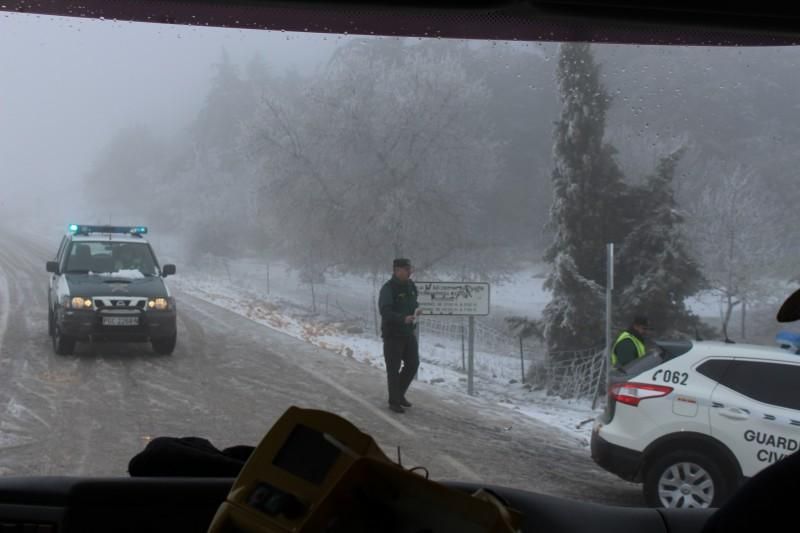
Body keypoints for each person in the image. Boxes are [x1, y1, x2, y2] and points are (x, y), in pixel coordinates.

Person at [378, 258, 423, 413]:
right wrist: (402, 318)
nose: (410, 271)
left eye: (410, 268)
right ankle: (394, 401)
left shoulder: (410, 285)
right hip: (393, 334)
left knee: (413, 364)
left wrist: (417, 310)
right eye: (407, 269)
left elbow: (413, 302)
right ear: (397, 270)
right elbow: (385, 311)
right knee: (393, 368)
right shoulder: (388, 288)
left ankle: (399, 394)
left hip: (408, 333)